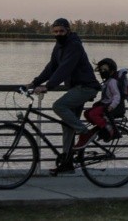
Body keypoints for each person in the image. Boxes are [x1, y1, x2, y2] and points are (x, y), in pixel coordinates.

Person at [28, 18, 101, 175]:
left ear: (68, 30)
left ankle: (85, 132)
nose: (58, 34)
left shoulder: (74, 45)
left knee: (58, 106)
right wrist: (35, 82)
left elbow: (65, 68)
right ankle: (67, 163)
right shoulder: (59, 46)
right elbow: (52, 67)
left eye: (61, 31)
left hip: (86, 87)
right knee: (68, 125)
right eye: (55, 32)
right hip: (76, 88)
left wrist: (48, 86)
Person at [83, 58, 121, 141]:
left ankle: (107, 128)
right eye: (101, 70)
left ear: (111, 71)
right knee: (87, 113)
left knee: (93, 114)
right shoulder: (107, 82)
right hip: (103, 104)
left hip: (107, 106)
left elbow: (117, 95)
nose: (102, 71)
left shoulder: (112, 82)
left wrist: (112, 106)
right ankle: (100, 128)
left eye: (105, 69)